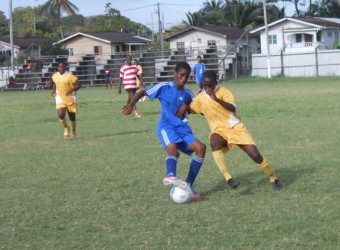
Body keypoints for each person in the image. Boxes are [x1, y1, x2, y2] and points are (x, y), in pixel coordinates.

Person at [183, 71, 282, 191]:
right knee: (214, 141)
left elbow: (233, 108)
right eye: (205, 85)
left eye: (210, 85)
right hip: (219, 131)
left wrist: (217, 99)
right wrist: (182, 106)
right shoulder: (200, 98)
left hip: (236, 128)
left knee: (256, 156)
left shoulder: (223, 92)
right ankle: (229, 178)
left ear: (216, 82)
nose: (208, 88)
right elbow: (190, 109)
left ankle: (273, 177)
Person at [122, 62, 206, 198]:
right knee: (172, 148)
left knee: (201, 148)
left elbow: (200, 109)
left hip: (183, 130)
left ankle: (188, 186)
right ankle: (170, 175)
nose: (183, 79)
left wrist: (187, 107)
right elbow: (143, 91)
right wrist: (131, 104)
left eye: (186, 77)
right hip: (166, 127)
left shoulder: (188, 94)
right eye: (181, 75)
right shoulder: (164, 87)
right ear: (174, 73)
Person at [51, 62, 81, 140]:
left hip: (70, 98)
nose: (61, 68)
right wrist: (53, 90)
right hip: (59, 98)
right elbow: (55, 84)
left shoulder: (70, 76)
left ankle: (73, 133)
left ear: (65, 67)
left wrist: (71, 90)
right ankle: (66, 128)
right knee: (61, 115)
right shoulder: (54, 76)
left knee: (72, 117)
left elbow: (78, 85)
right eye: (60, 67)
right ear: (57, 67)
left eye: (63, 67)